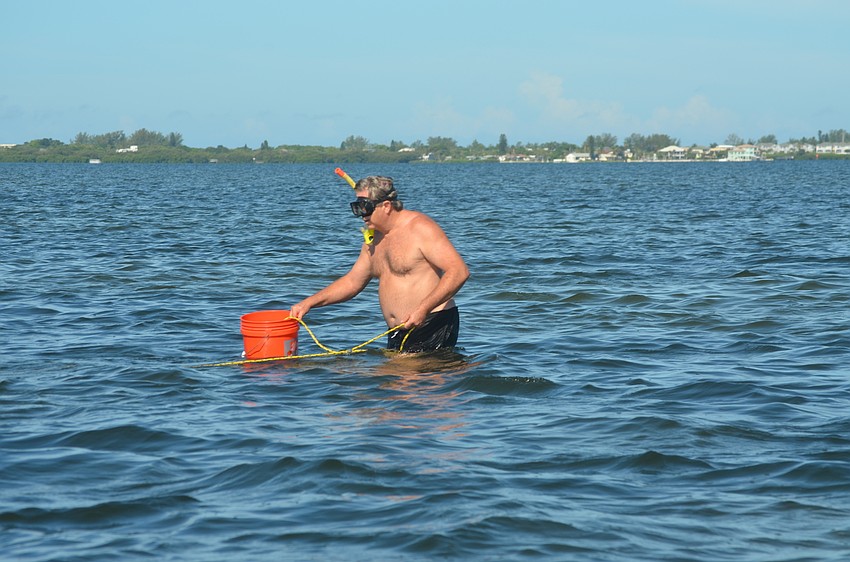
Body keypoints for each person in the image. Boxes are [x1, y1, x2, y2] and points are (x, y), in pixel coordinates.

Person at [290, 175, 469, 353]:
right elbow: (352, 282)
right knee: (385, 379)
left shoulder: (419, 228)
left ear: (386, 206)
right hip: (396, 331)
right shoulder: (374, 239)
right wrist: (309, 303)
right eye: (357, 207)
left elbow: (459, 271)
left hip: (432, 322)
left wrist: (423, 309)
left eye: (365, 207)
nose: (361, 215)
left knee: (398, 377)